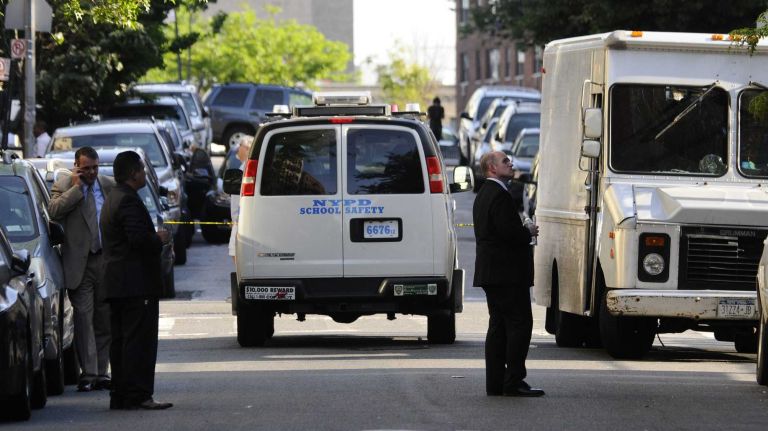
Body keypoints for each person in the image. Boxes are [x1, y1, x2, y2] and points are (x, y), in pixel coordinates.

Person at [100, 150, 172, 410]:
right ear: (133, 174)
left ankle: (120, 393)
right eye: (141, 170)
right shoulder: (128, 201)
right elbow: (138, 240)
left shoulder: (113, 198)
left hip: (119, 283)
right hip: (135, 283)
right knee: (138, 340)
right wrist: (158, 238)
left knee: (121, 340)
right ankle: (138, 394)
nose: (144, 173)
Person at [472, 150, 544, 397]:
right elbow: (508, 233)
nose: (510, 164)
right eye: (505, 161)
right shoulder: (499, 195)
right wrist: (528, 231)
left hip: (493, 273)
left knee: (499, 327)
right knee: (519, 325)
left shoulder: (484, 193)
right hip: (507, 274)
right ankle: (513, 381)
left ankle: (496, 383)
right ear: (492, 168)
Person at [49, 146, 115, 392]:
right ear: (76, 166)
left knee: (104, 319)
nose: (91, 172)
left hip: (104, 261)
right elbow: (53, 212)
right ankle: (88, 373)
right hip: (80, 264)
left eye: (95, 167)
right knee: (84, 318)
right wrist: (76, 188)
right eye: (86, 168)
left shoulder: (107, 185)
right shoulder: (66, 184)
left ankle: (102, 372)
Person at [228, 135, 253, 264]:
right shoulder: (243, 168)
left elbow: (238, 203)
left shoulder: (245, 170)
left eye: (240, 147)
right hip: (240, 221)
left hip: (241, 222)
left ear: (247, 148)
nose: (238, 150)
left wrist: (236, 223)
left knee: (236, 256)